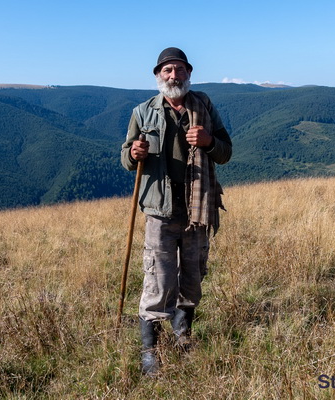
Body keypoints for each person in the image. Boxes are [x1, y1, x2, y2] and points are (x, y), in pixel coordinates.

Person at [121, 47, 232, 376]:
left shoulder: (204, 106)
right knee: (159, 279)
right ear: (158, 76)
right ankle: (150, 350)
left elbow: (225, 152)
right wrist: (134, 153)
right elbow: (126, 158)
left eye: (179, 69)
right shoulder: (143, 112)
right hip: (160, 208)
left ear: (188, 73)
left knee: (193, 276)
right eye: (167, 70)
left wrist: (209, 141)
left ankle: (183, 334)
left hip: (198, 208)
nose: (174, 76)